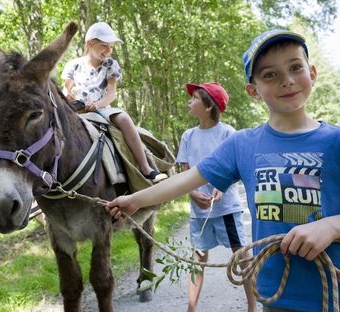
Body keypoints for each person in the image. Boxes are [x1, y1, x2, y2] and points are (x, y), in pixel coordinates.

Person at [106, 30, 340, 311]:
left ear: (311, 73)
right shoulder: (243, 144)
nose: (287, 80)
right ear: (253, 90)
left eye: (295, 67)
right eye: (269, 74)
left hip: (333, 294)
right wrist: (135, 200)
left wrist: (331, 225)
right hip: (277, 295)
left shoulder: (335, 141)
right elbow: (188, 179)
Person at [177, 82, 256, 312]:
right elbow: (186, 171)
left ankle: (253, 307)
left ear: (209, 106)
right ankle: (191, 308)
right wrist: (192, 193)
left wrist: (222, 186)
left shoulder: (227, 133)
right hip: (199, 212)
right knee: (197, 260)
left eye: (194, 98)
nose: (189, 102)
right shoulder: (188, 136)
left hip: (226, 209)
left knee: (242, 257)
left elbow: (236, 169)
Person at [62, 21, 167, 183]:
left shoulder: (111, 65)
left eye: (111, 47)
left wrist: (96, 105)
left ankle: (146, 168)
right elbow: (65, 90)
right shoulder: (73, 65)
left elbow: (111, 94)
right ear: (90, 44)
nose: (108, 51)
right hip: (76, 110)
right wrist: (69, 99)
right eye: (104, 45)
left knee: (124, 118)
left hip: (101, 108)